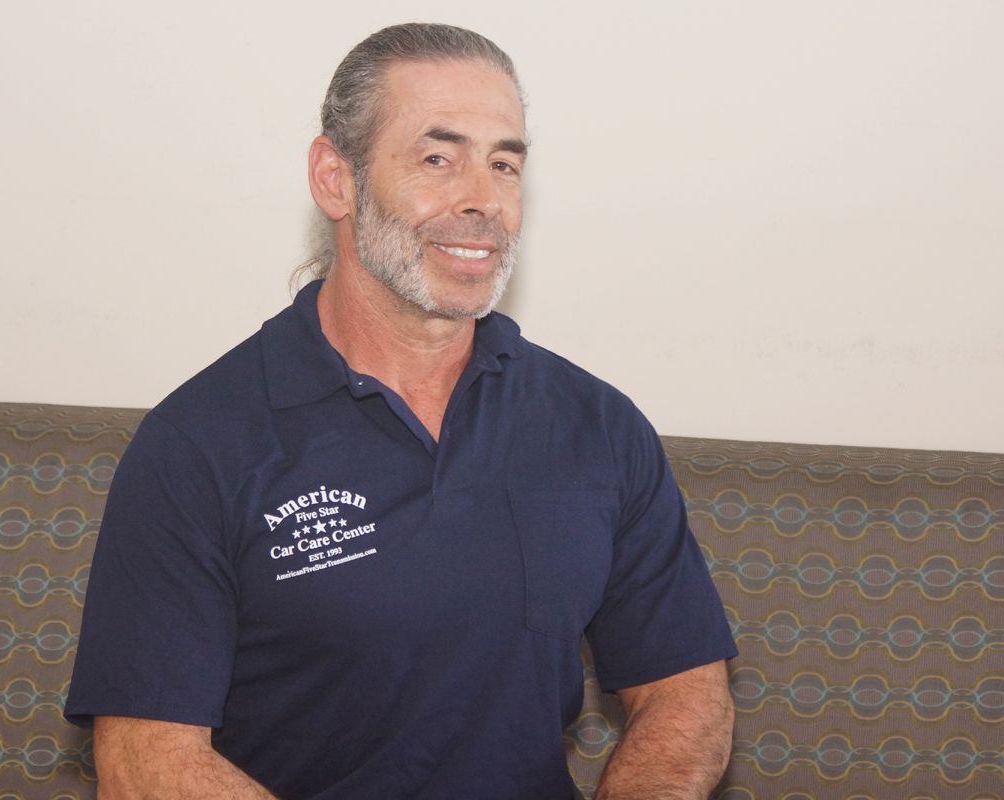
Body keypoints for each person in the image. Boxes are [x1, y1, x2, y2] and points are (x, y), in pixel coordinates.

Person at [65, 22, 737, 800]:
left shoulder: (597, 427)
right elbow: (147, 762)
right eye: (436, 158)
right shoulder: (198, 444)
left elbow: (684, 691)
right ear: (335, 179)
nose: (483, 199)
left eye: (504, 164)